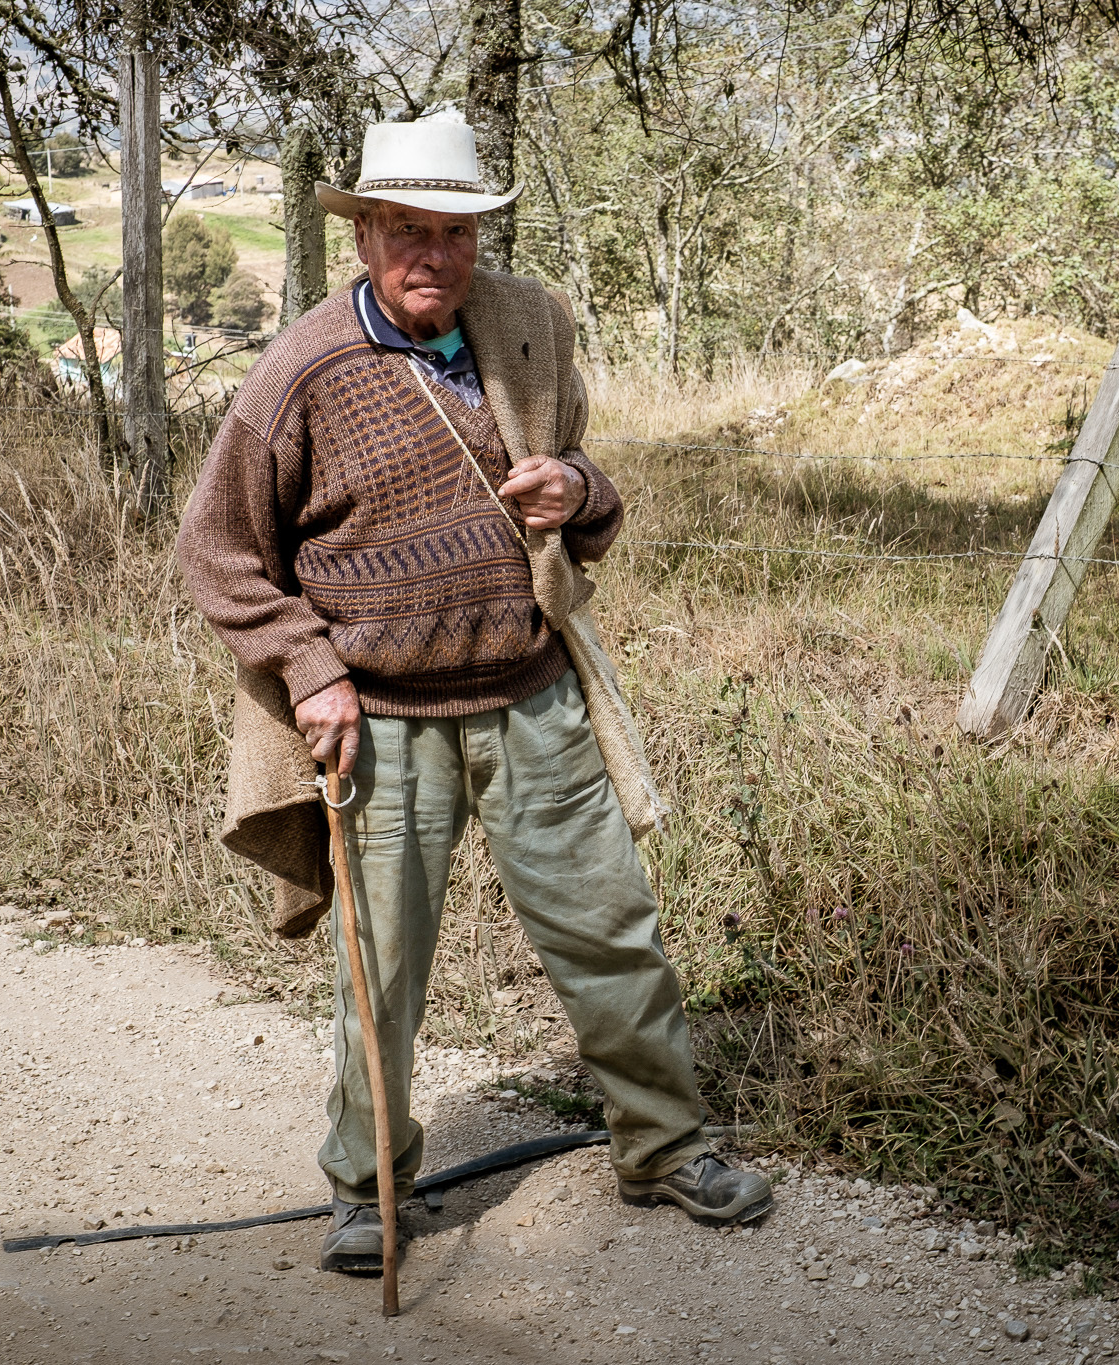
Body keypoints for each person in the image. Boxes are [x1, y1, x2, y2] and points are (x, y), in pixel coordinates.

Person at [177, 119, 771, 1272]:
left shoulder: (528, 325)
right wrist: (309, 669)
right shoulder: (299, 371)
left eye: (455, 232)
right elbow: (219, 553)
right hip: (381, 721)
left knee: (609, 930)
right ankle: (367, 1190)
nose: (434, 255)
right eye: (407, 230)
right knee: (381, 969)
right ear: (362, 233)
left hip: (530, 695)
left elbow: (581, 476)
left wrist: (576, 490)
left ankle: (662, 1146)